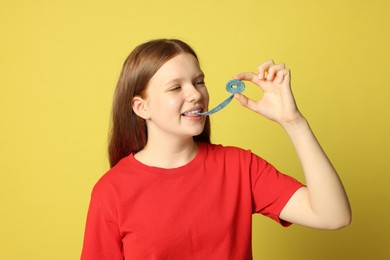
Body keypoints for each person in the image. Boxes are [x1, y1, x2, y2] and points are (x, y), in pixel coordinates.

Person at [81, 39, 351, 259]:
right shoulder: (111, 191)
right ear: (142, 107)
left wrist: (294, 122)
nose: (196, 94)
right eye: (176, 87)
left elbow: (333, 215)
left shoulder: (239, 167)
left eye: (198, 81)